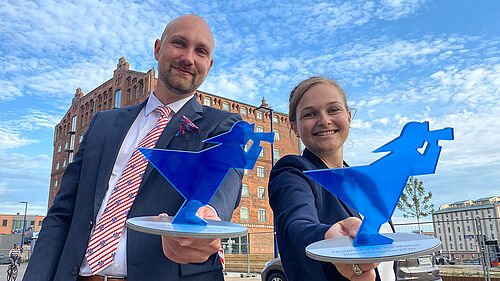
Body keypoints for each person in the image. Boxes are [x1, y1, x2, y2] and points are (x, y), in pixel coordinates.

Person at [24, 14, 242, 281]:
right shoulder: (102, 124)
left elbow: (225, 176)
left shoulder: (224, 124)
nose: (188, 57)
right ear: (158, 48)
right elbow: (62, 212)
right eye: (179, 43)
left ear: (209, 64)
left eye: (200, 51)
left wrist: (207, 216)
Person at [268, 77, 396, 281]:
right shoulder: (292, 172)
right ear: (294, 127)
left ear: (349, 117)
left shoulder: (363, 184)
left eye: (333, 110)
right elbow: (296, 224)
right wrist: (328, 237)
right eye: (310, 114)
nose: (324, 120)